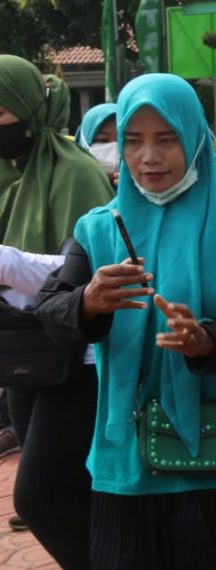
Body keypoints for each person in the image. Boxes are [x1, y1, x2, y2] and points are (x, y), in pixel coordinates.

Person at [35, 73, 216, 570]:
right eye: (133, 141)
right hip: (126, 449)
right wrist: (87, 301)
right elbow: (52, 307)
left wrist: (207, 340)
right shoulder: (98, 228)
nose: (148, 156)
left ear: (194, 137)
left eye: (166, 138)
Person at [0, 56, 113, 568]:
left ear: (26, 107)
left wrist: (12, 268)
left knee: (40, 497)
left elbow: (96, 270)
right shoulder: (9, 172)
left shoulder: (78, 174)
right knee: (67, 491)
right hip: (21, 351)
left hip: (77, 356)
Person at [77, 103, 120, 185]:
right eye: (103, 140)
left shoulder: (146, 192)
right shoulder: (70, 189)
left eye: (121, 140)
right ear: (84, 142)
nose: (115, 149)